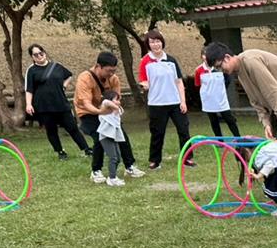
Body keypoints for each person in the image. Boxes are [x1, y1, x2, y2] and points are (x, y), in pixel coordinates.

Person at [204, 42, 277, 189]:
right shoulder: (240, 72)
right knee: (276, 145)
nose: (221, 71)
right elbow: (255, 100)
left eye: (220, 66)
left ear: (227, 57)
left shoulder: (250, 61)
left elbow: (273, 90)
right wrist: (266, 122)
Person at [73, 52, 144, 183]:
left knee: (121, 136)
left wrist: (114, 110)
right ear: (98, 66)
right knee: (99, 137)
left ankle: (129, 166)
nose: (111, 74)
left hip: (107, 113)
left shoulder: (113, 79)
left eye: (113, 71)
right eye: (108, 71)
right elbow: (86, 103)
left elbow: (117, 99)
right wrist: (100, 111)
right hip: (88, 113)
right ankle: (96, 171)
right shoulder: (85, 78)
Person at [24, 44, 90, 160]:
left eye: (41, 53)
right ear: (32, 57)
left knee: (72, 127)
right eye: (35, 55)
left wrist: (64, 86)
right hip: (44, 106)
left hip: (61, 103)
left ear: (44, 52)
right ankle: (60, 152)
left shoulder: (56, 66)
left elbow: (69, 75)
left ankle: (86, 149)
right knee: (51, 130)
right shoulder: (31, 70)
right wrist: (28, 104)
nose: (39, 56)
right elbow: (29, 89)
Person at [138, 30, 191, 170]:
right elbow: (143, 80)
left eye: (158, 41)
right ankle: (155, 160)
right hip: (156, 103)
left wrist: (183, 101)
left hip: (175, 102)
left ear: (162, 42)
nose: (156, 44)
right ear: (148, 44)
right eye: (152, 42)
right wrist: (144, 85)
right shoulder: (145, 61)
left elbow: (179, 82)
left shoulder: (171, 60)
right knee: (158, 133)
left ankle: (187, 158)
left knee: (184, 130)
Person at [194, 53, 240, 138]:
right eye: (204, 55)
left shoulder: (219, 68)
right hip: (208, 100)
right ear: (201, 57)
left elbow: (227, 80)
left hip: (221, 99)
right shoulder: (198, 70)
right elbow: (198, 85)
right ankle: (219, 140)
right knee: (213, 120)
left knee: (229, 119)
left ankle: (238, 137)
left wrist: (220, 90)